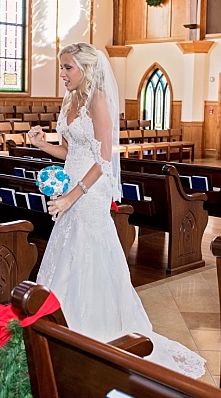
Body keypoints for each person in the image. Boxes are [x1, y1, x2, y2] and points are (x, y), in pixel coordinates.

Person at [29, 45, 204, 370]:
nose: (62, 74)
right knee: (64, 258)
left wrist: (72, 196)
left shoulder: (97, 100)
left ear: (84, 68)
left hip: (89, 193)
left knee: (90, 258)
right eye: (61, 67)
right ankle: (60, 329)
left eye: (67, 68)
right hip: (71, 190)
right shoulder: (69, 100)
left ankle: (98, 333)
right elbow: (70, 152)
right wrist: (42, 144)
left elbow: (102, 160)